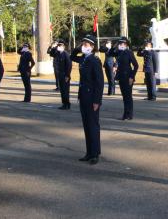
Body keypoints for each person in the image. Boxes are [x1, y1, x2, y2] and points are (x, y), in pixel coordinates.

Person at [71, 35, 104, 165]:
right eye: (83, 44)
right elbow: (72, 56)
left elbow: (99, 82)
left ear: (92, 47)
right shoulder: (84, 59)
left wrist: (97, 101)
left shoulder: (95, 61)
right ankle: (89, 152)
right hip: (83, 96)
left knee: (93, 126)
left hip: (92, 98)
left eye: (86, 45)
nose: (84, 47)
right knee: (86, 125)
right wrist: (78, 47)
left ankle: (95, 154)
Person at [108, 37, 138, 120]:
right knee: (124, 96)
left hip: (128, 77)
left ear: (127, 45)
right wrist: (115, 45)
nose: (122, 45)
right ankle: (127, 114)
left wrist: (132, 76)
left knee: (128, 96)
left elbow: (136, 65)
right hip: (121, 77)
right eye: (120, 43)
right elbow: (109, 53)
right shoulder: (118, 52)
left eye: (123, 44)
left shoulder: (129, 53)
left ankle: (128, 114)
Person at [49, 39, 72, 110]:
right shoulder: (57, 53)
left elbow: (69, 65)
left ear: (64, 46)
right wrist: (55, 47)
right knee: (62, 90)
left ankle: (67, 104)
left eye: (60, 45)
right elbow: (51, 53)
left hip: (65, 75)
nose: (59, 46)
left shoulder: (66, 54)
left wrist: (67, 75)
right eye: (59, 45)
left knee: (65, 90)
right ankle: (64, 104)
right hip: (60, 74)